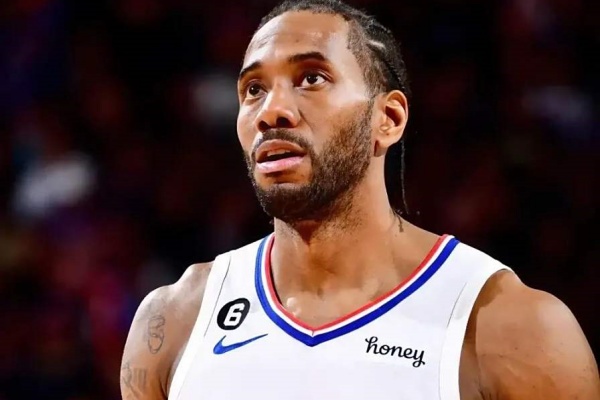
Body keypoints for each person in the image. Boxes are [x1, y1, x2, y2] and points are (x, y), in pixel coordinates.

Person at [120, 0, 600, 399]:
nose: (271, 111)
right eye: (254, 89)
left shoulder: (512, 330)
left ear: (388, 119)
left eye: (311, 78)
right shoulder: (176, 320)